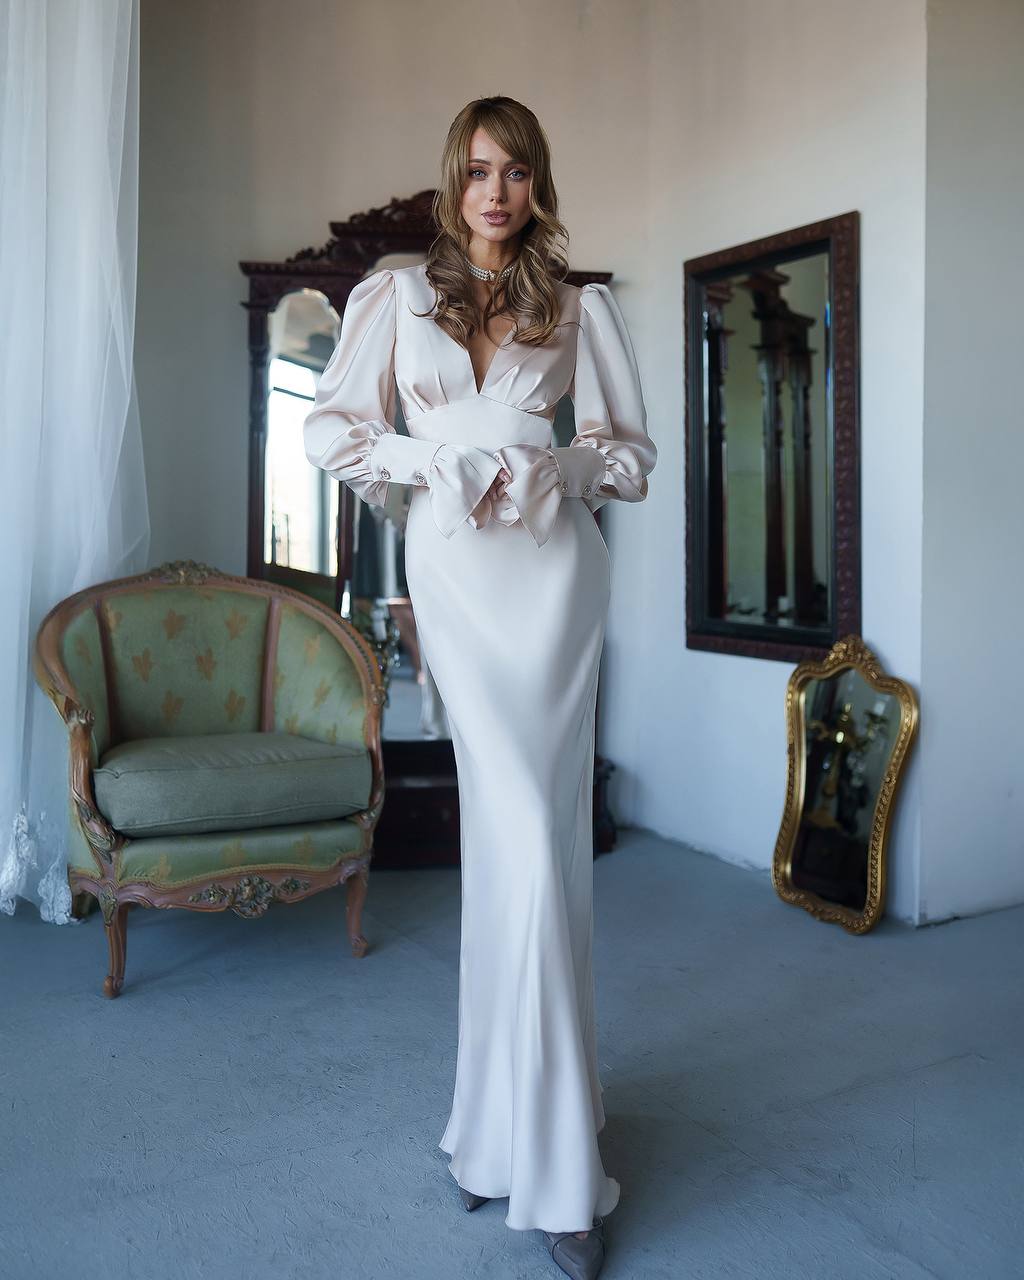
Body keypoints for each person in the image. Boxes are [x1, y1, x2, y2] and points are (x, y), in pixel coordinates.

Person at [303, 96, 657, 1280]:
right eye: (476, 170)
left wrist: (561, 463)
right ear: (452, 180)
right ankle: (516, 1136)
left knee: (535, 851)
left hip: (556, 580)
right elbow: (332, 433)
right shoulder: (395, 296)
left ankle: (525, 1149)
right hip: (456, 576)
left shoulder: (579, 305)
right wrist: (433, 458)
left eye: (514, 172)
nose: (494, 192)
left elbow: (629, 456)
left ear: (536, 182)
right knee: (514, 839)